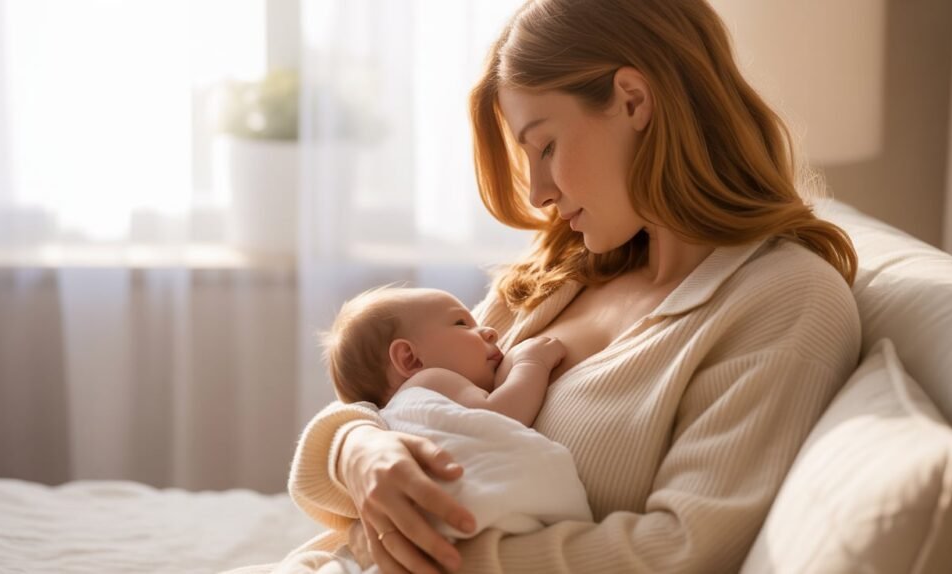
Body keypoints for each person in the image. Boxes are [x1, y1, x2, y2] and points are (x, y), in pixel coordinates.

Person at [270, 0, 862, 572]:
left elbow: (686, 550)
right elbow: (405, 401)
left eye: (546, 146)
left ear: (633, 100)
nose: (537, 195)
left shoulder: (783, 301)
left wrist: (423, 554)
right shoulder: (563, 274)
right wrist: (356, 450)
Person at [312, 285, 591, 569]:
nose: (491, 332)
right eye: (462, 323)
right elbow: (503, 413)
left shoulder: (403, 410)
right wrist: (532, 362)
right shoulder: (431, 381)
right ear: (410, 359)